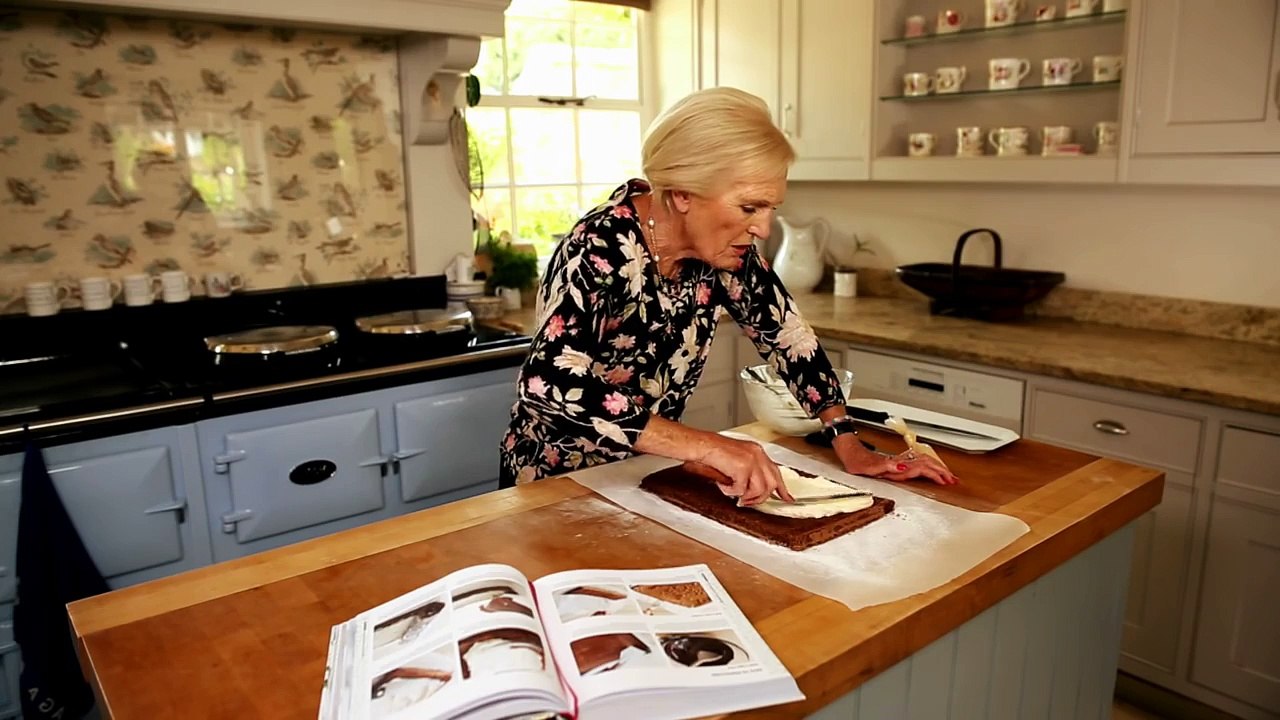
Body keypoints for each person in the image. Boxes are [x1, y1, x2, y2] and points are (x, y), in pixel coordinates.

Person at [498, 87, 957, 504]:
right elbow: (548, 383)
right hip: (554, 484)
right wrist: (710, 444)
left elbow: (790, 339)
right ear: (682, 195)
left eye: (770, 208)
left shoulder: (727, 254)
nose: (762, 227)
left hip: (641, 476)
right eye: (748, 207)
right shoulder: (600, 247)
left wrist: (848, 441)